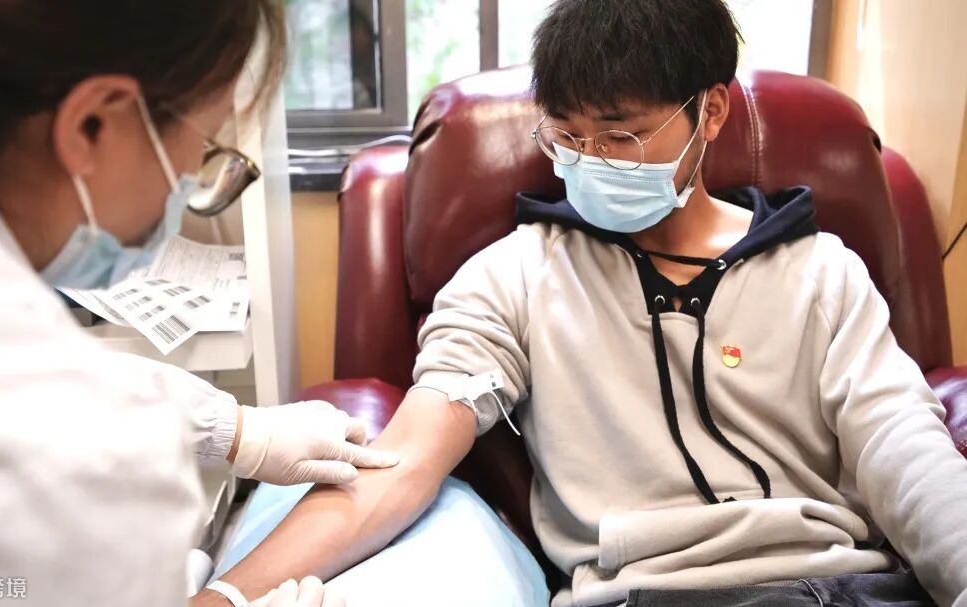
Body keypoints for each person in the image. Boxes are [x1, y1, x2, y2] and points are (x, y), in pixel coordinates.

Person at [198, 1, 967, 606]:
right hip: (651, 595)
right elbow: (399, 466)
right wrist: (224, 595)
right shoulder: (513, 278)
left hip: (852, 587)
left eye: (621, 138)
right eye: (566, 137)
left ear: (711, 112)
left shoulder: (822, 272)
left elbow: (906, 450)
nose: (589, 161)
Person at [0, 2, 398, 606]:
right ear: (92, 125)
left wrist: (240, 430)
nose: (192, 178)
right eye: (204, 144)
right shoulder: (89, 462)